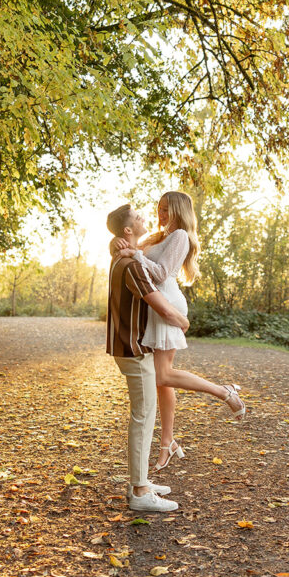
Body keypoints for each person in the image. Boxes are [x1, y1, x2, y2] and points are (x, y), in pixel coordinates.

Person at [112, 191, 245, 472]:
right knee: (163, 380)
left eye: (166, 210)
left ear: (179, 211)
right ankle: (168, 444)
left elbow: (160, 273)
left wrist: (134, 253)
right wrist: (119, 243)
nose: (161, 215)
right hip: (154, 304)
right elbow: (131, 249)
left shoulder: (180, 236)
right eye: (159, 209)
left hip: (166, 302)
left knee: (162, 374)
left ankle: (225, 392)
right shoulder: (157, 237)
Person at [106, 204, 191, 512]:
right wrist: (181, 320)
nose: (146, 219)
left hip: (128, 348)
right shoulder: (132, 266)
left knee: (144, 417)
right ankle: (140, 491)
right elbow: (159, 305)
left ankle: (139, 480)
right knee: (142, 420)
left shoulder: (123, 258)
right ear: (128, 230)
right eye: (139, 218)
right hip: (134, 349)